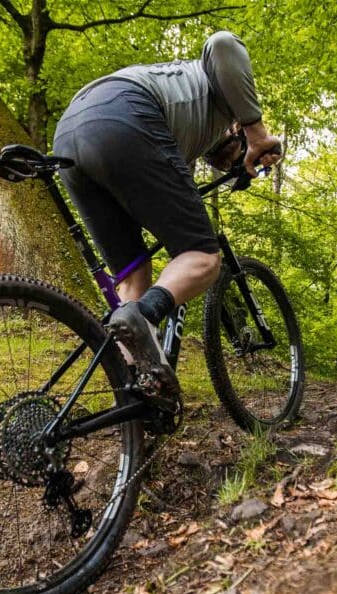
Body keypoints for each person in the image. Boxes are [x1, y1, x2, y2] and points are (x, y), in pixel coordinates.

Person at [52, 31, 282, 403]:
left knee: (133, 277)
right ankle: (145, 316)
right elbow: (223, 44)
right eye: (238, 155)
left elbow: (166, 188)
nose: (230, 164)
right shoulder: (220, 93)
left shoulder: (185, 133)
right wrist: (258, 133)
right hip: (124, 111)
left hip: (70, 134)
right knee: (203, 257)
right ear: (236, 130)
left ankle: (133, 396)